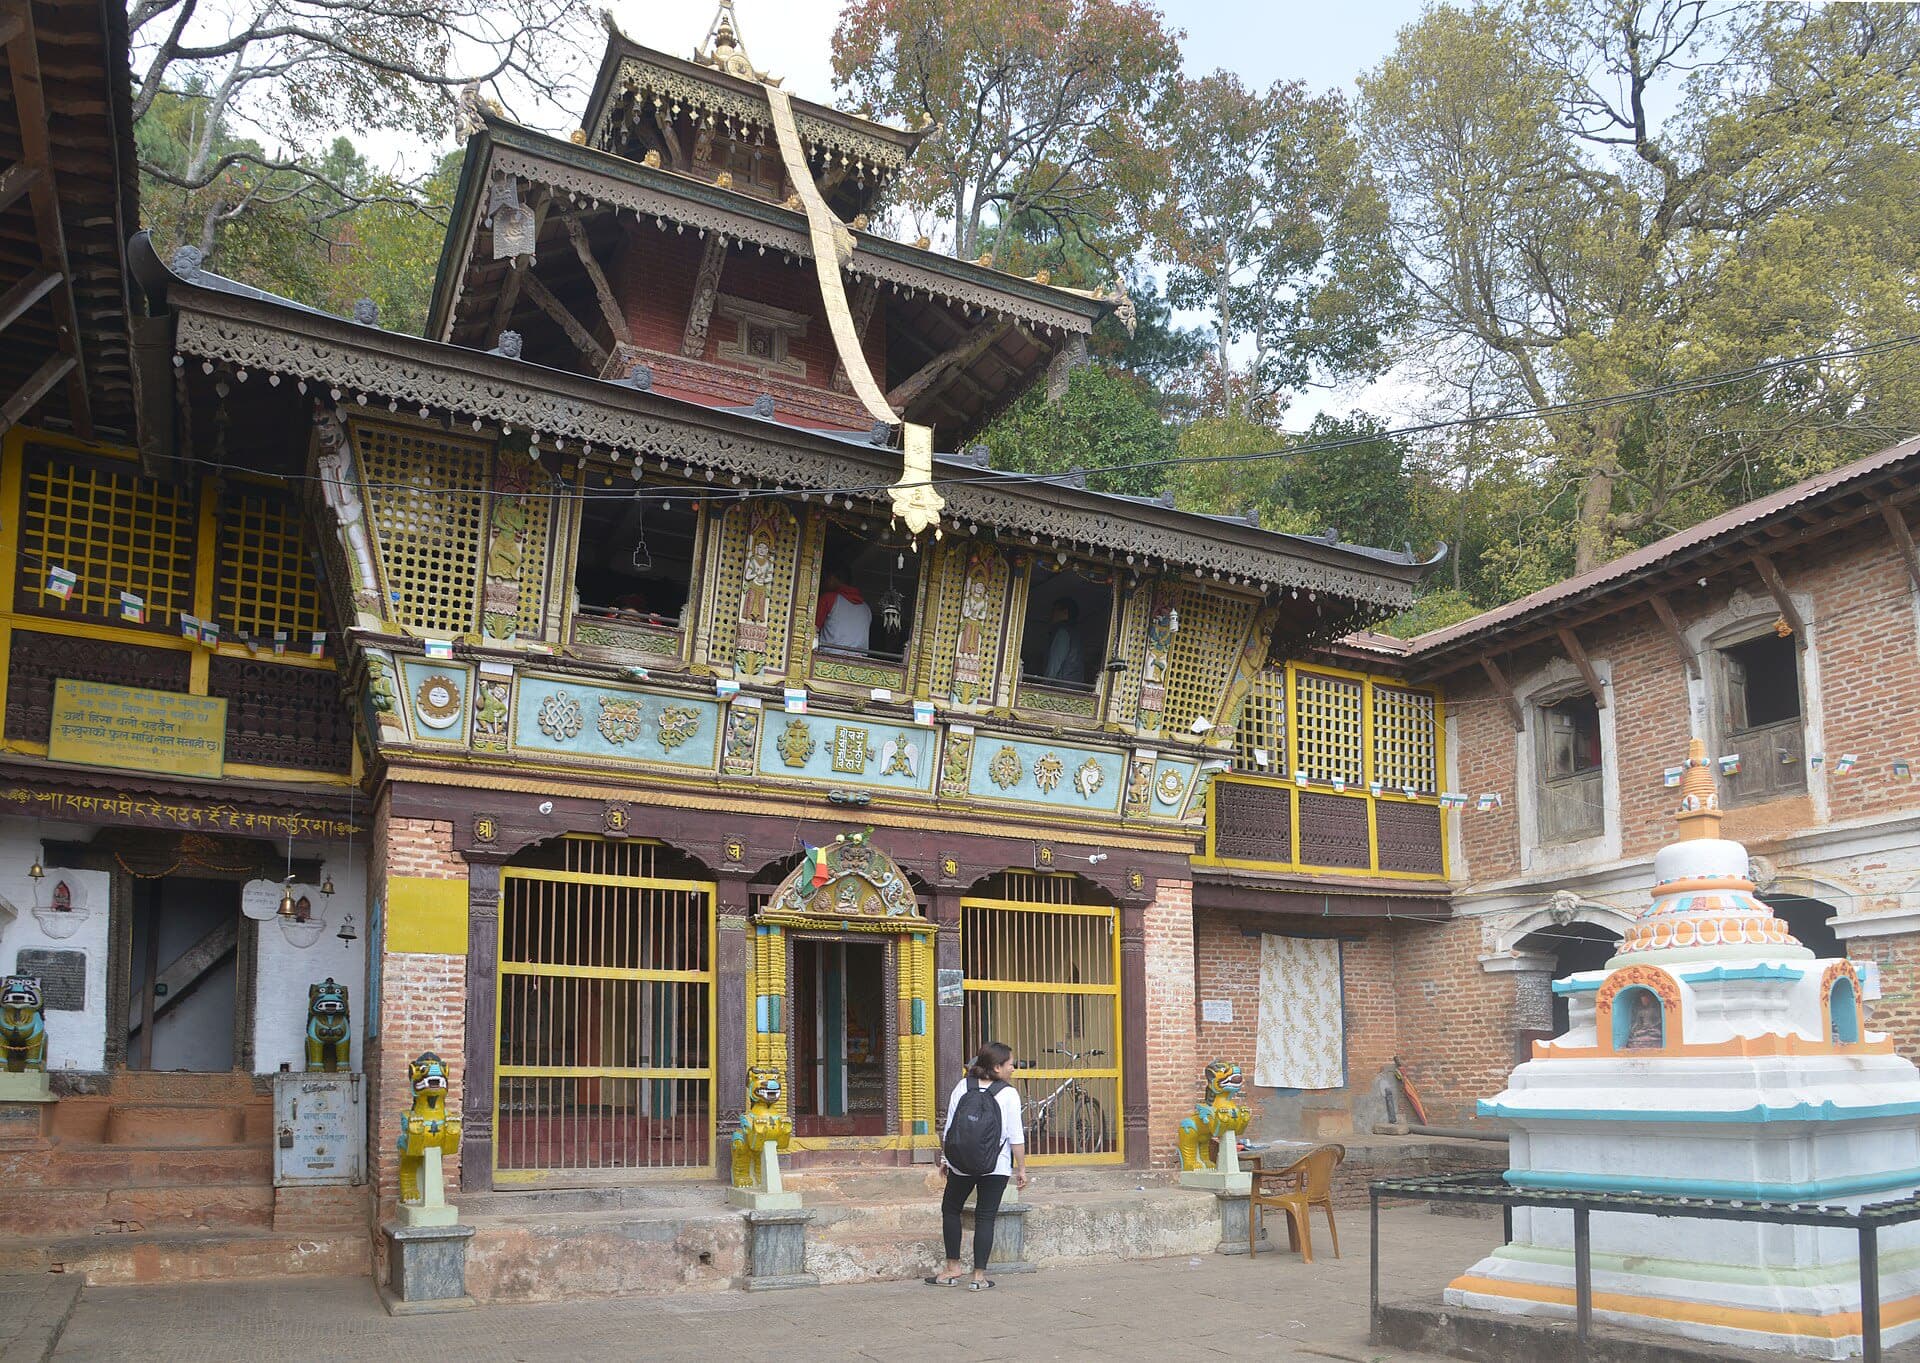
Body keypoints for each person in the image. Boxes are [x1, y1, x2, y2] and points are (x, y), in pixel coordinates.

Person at [928, 1042, 1026, 1290]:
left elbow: (950, 1127)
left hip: (961, 1164)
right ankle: (978, 1277)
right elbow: (1016, 1136)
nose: (1013, 1068)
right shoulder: (1008, 1094)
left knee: (951, 1209)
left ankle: (952, 1269)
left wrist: (945, 1160)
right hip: (996, 1165)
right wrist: (1021, 1169)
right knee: (985, 1218)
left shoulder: (964, 1086)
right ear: (996, 1067)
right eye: (1010, 1064)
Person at [815, 563, 871, 652]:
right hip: (859, 661)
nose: (823, 583)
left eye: (825, 579)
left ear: (832, 578)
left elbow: (813, 629)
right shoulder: (866, 608)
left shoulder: (829, 599)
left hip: (828, 659)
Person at [1040, 598, 1085, 684]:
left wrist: (1045, 684)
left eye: (1054, 610)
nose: (1052, 614)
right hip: (1073, 687)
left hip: (1060, 687)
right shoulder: (1075, 633)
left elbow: (1054, 663)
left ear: (1065, 612)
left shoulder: (1063, 632)